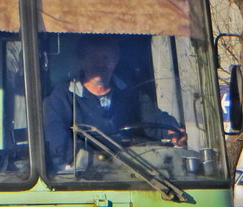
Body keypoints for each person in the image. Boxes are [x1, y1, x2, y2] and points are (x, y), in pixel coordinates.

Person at [43, 34, 183, 171]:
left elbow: (155, 118)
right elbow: (57, 142)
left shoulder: (130, 92)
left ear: (115, 61)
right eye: (93, 57)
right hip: (85, 174)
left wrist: (172, 129)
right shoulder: (62, 97)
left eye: (105, 57)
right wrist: (79, 160)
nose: (100, 63)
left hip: (131, 169)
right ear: (82, 61)